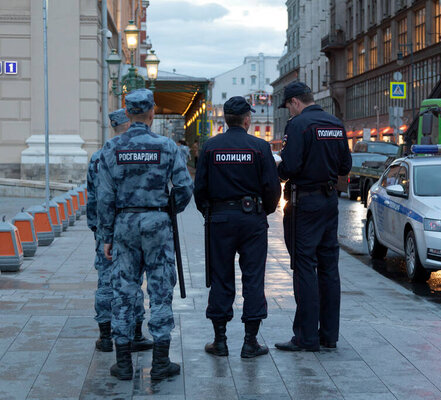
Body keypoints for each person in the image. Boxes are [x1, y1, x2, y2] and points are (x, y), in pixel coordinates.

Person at [96, 89, 193, 381]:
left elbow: (103, 197)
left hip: (124, 223)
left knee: (124, 291)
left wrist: (106, 236)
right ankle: (161, 362)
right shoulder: (166, 146)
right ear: (152, 112)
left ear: (127, 113)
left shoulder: (111, 148)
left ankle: (124, 363)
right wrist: (167, 210)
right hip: (157, 223)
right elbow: (185, 188)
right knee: (161, 292)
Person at [194, 96, 281, 358]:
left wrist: (211, 211)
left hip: (220, 219)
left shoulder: (210, 147)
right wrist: (261, 210)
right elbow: (272, 188)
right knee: (253, 277)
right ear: (246, 119)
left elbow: (199, 189)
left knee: (221, 277)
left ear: (224, 120)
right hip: (251, 218)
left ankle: (219, 340)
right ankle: (250, 341)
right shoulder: (260, 147)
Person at [275, 82, 352, 352]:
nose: (288, 113)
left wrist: (279, 168)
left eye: (288, 107)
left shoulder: (298, 125)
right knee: (329, 267)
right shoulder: (335, 123)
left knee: (305, 266)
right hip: (330, 201)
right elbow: (345, 166)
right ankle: (329, 335)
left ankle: (306, 337)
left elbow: (290, 167)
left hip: (304, 203)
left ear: (295, 102)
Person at [86, 108, 153, 354]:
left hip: (107, 230)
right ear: (129, 122)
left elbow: (93, 198)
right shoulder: (142, 150)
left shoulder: (97, 156)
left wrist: (100, 231)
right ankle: (135, 333)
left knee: (105, 281)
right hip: (134, 227)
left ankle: (105, 337)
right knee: (133, 281)